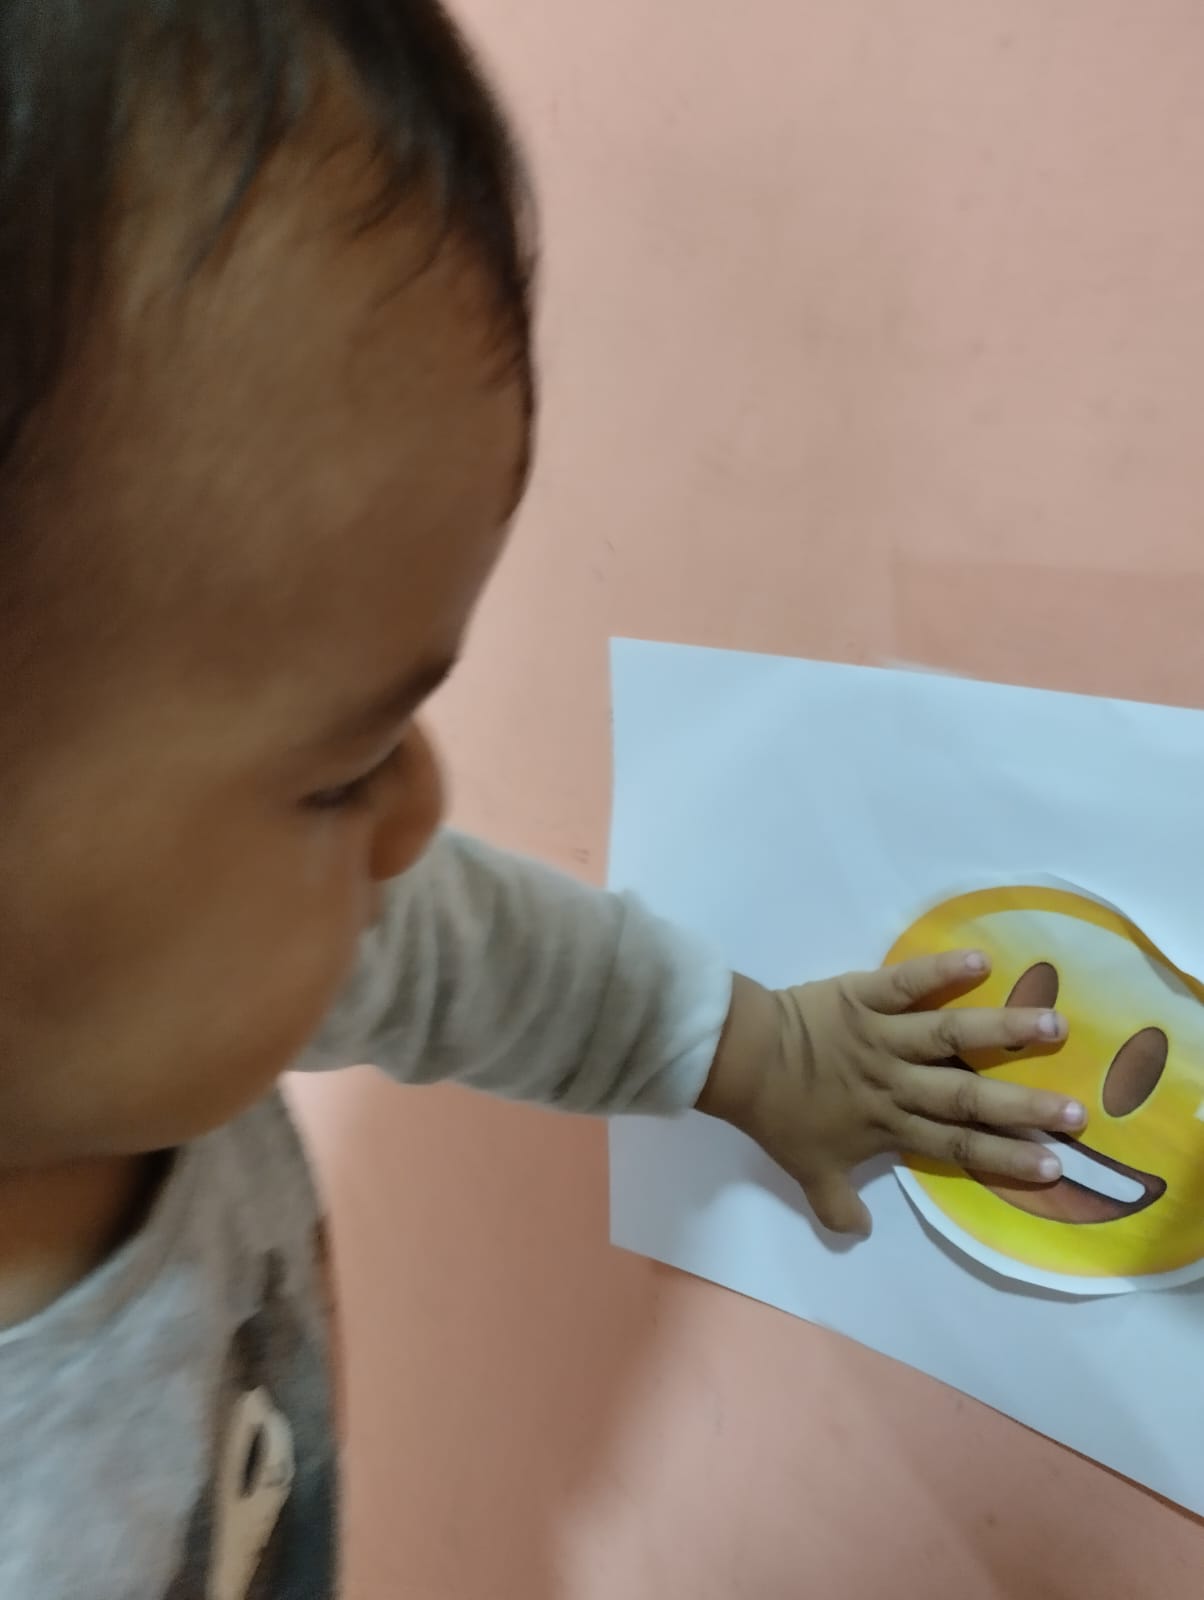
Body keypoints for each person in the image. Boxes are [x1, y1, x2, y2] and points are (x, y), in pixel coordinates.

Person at [0, 4, 1085, 1594]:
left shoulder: (139, 990)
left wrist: (757, 1050)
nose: (420, 814)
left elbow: (457, 950)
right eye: (342, 772)